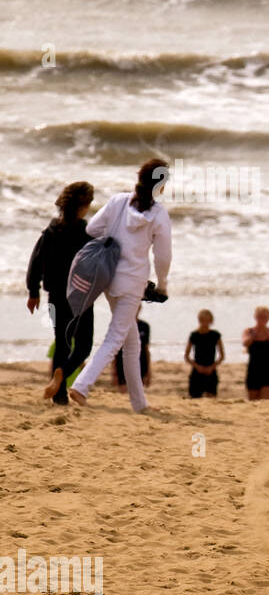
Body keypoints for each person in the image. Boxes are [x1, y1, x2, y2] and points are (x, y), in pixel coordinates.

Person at [69, 160, 172, 412]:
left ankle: (140, 404)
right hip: (133, 282)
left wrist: (115, 239)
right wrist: (162, 286)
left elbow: (93, 228)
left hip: (108, 277)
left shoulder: (117, 201)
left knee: (131, 341)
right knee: (115, 337)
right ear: (160, 187)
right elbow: (163, 257)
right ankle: (81, 386)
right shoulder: (158, 214)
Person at [26, 182, 96, 405]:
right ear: (82, 206)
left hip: (55, 295)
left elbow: (35, 261)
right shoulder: (86, 234)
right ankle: (62, 374)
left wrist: (33, 291)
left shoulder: (50, 232)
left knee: (62, 342)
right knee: (83, 346)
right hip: (81, 296)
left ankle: (59, 395)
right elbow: (97, 264)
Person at [185, 309, 225, 398]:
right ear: (199, 320)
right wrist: (197, 366)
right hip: (197, 369)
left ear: (211, 321)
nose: (205, 322)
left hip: (211, 369)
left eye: (207, 320)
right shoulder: (194, 335)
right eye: (202, 320)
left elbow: (222, 356)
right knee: (194, 398)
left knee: (211, 398)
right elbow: (187, 356)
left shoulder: (215, 335)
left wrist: (212, 367)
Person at [243, 306, 269, 400]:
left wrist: (265, 331)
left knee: (267, 401)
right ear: (255, 317)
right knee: (253, 401)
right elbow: (245, 343)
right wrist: (256, 332)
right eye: (260, 316)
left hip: (268, 369)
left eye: (265, 317)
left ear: (268, 318)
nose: (262, 319)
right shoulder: (249, 331)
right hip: (253, 369)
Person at [113, 307, 151, 391]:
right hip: (122, 363)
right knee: (123, 392)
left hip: (140, 362)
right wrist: (114, 372)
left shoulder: (145, 326)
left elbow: (147, 349)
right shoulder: (121, 325)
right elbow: (115, 349)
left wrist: (148, 372)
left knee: (138, 390)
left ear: (140, 309)